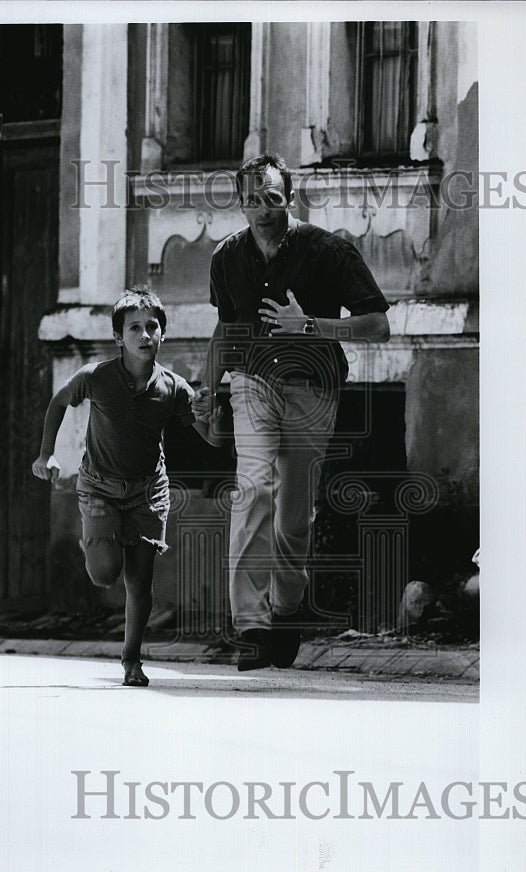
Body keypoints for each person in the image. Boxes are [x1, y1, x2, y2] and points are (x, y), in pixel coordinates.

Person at [192, 153, 390, 671]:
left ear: (290, 199)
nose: (263, 210)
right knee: (254, 487)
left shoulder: (327, 251)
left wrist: (310, 326)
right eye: (253, 201)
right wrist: (208, 388)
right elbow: (227, 328)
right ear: (240, 202)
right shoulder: (227, 257)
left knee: (293, 515)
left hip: (313, 390)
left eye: (273, 200)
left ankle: (286, 609)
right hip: (253, 383)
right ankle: (252, 626)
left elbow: (376, 325)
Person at [33, 287, 221, 687]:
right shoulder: (96, 378)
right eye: (134, 328)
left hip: (148, 491)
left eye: (152, 327)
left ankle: (131, 662)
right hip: (99, 486)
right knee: (104, 573)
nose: (144, 334)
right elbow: (59, 401)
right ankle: (98, 537)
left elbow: (211, 437)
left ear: (162, 334)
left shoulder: (174, 387)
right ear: (119, 337)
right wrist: (47, 453)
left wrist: (212, 413)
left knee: (139, 580)